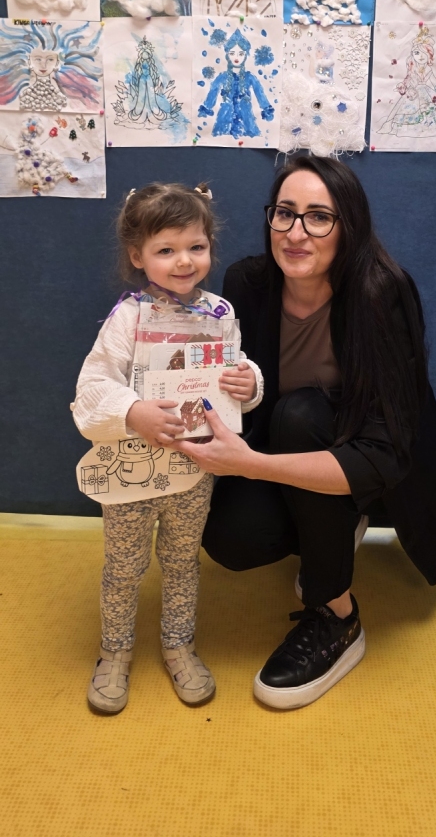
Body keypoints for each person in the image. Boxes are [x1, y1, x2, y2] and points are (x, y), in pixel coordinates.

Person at [174, 156, 436, 710]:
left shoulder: (381, 294)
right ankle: (332, 530)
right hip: (287, 444)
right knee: (231, 540)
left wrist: (249, 465)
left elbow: (385, 452)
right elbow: (242, 389)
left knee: (301, 415)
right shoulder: (247, 282)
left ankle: (338, 615)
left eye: (318, 217)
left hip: (374, 460)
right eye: (284, 213)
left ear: (348, 226)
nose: (296, 233)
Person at [71, 182, 263, 714]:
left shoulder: (220, 312)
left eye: (196, 247)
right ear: (138, 256)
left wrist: (250, 381)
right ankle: (114, 652)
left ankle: (179, 645)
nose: (184, 261)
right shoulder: (128, 317)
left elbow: (234, 370)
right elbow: (92, 385)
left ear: (210, 247)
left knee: (182, 562)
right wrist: (132, 412)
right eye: (166, 249)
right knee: (123, 566)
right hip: (130, 470)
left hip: (193, 467)